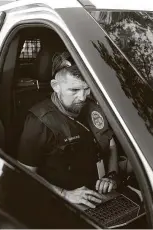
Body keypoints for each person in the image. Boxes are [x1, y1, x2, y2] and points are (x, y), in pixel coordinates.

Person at [16, 51, 120, 208]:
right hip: (64, 202)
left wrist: (112, 176)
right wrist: (64, 194)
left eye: (87, 89)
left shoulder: (92, 107)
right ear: (56, 86)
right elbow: (24, 174)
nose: (83, 97)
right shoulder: (40, 122)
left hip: (100, 194)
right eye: (74, 90)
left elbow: (110, 143)